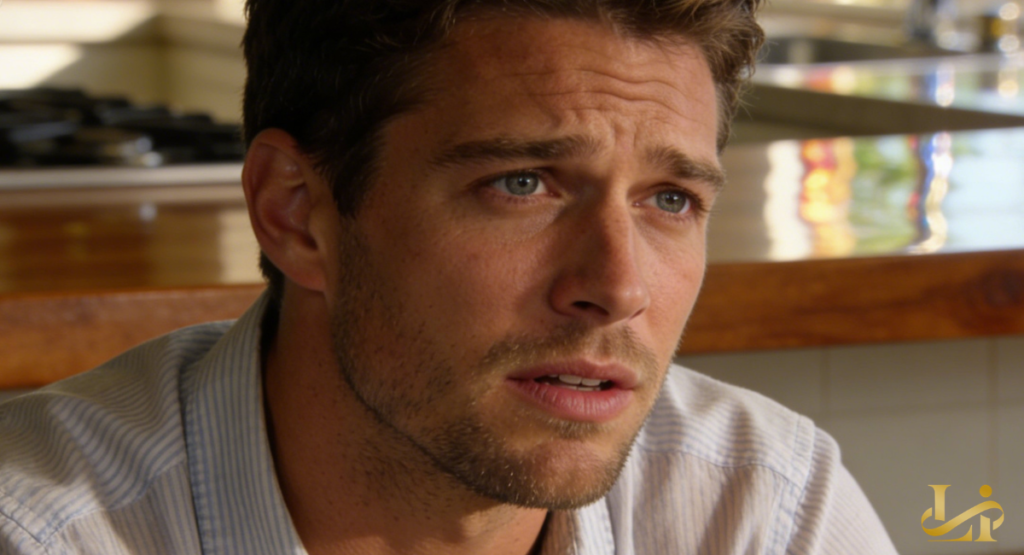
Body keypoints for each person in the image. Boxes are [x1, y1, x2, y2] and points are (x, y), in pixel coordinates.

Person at [0, 1, 899, 553]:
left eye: (669, 199)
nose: (618, 287)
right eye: (522, 184)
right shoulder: (42, 530)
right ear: (296, 213)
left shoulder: (760, 507)